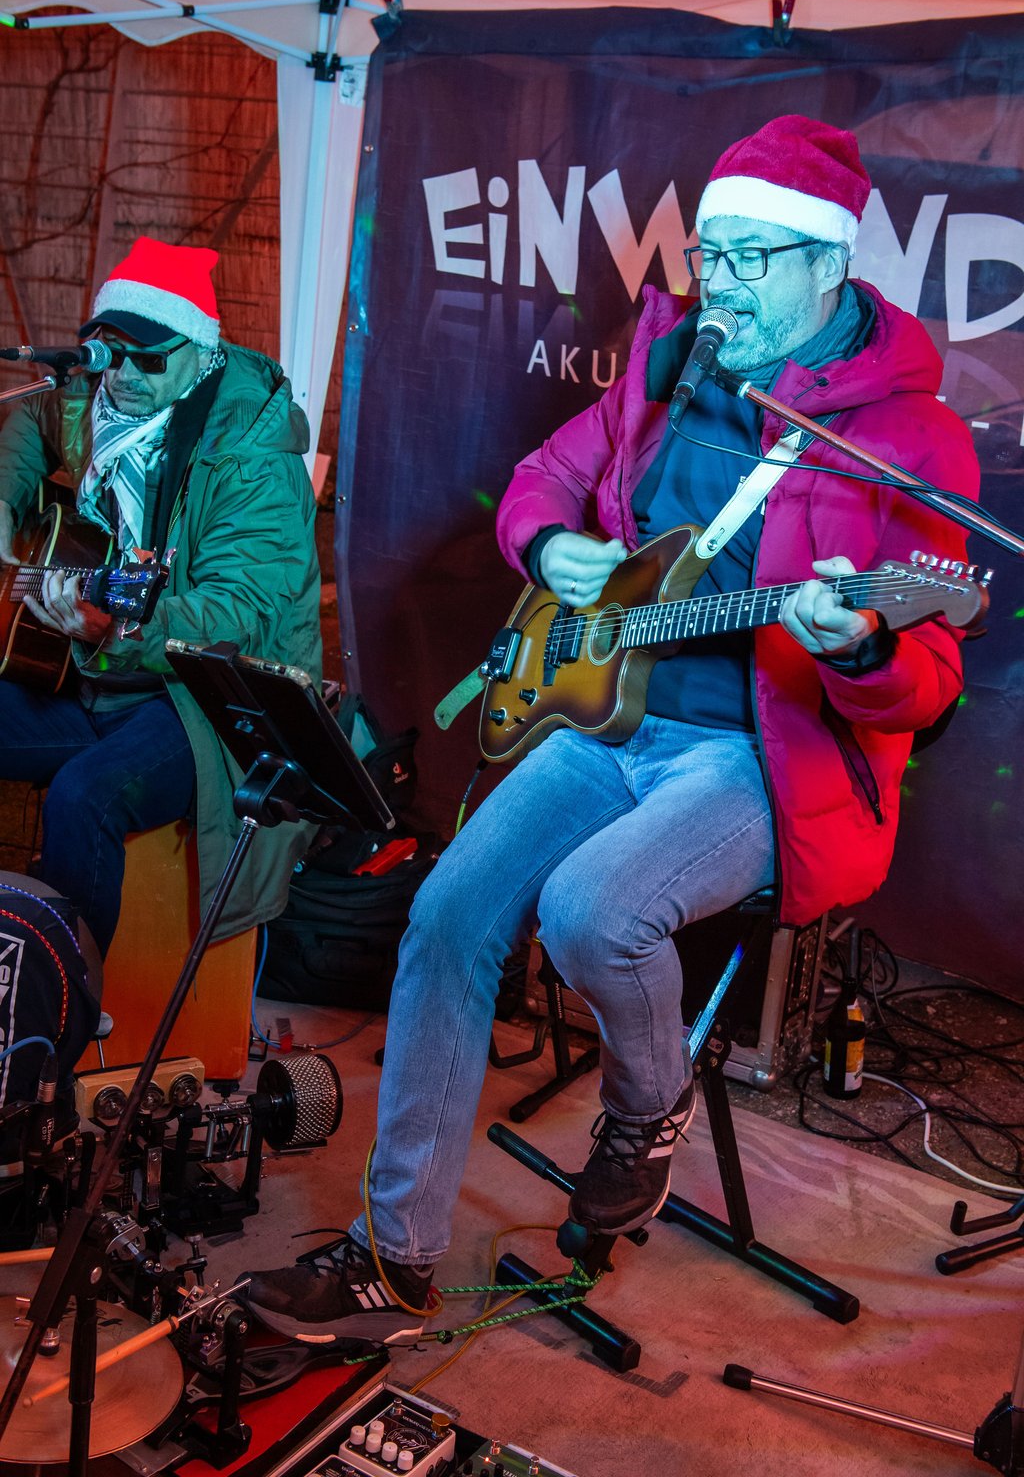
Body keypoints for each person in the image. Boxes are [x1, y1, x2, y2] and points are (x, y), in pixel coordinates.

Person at [244, 115, 979, 1346]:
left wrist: (860, 642)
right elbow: (542, 478)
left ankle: (648, 1105)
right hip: (608, 712)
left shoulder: (905, 441)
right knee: (445, 916)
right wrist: (549, 546)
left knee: (591, 909)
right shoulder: (675, 362)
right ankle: (396, 1257)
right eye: (710, 255)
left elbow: (931, 685)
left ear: (827, 268)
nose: (720, 284)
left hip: (758, 756)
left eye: (751, 259)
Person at [0, 237, 321, 962]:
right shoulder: (97, 397)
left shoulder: (252, 454)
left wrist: (111, 625)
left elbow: (235, 613)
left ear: (200, 352)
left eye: (152, 359)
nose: (130, 376)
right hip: (96, 678)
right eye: (114, 356)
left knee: (85, 797)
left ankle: (60, 1016)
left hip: (209, 704)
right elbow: (31, 423)